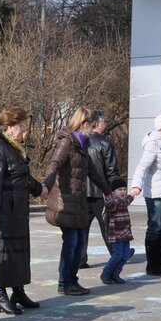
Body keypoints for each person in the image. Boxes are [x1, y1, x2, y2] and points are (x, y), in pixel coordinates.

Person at [0, 107, 46, 311]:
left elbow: (21, 176)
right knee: (2, 254)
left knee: (19, 253)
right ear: (9, 127)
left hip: (17, 212)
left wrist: (40, 189)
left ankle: (18, 292)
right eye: (21, 125)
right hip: (3, 212)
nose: (24, 129)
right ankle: (0, 295)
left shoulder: (14, 147)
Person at [43, 107, 110, 295]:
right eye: (91, 124)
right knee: (71, 241)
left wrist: (107, 190)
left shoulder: (83, 143)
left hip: (78, 201)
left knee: (79, 241)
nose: (94, 127)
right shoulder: (67, 141)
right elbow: (54, 163)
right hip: (65, 201)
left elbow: (91, 171)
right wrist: (46, 185)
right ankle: (64, 282)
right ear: (84, 124)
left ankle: (72, 280)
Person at [130, 113, 161, 276]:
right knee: (155, 227)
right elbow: (142, 166)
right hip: (155, 189)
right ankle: (152, 265)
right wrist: (136, 185)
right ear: (159, 128)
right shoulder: (154, 143)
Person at [81, 110, 131, 267]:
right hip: (101, 192)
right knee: (109, 225)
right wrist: (116, 190)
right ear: (97, 124)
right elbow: (112, 171)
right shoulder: (105, 144)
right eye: (103, 123)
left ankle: (80, 259)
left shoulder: (80, 141)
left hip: (82, 191)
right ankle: (117, 254)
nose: (105, 125)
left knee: (82, 227)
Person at [100, 177, 135, 284]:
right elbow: (111, 204)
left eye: (124, 189)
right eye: (120, 190)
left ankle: (115, 274)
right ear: (113, 191)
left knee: (125, 256)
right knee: (117, 255)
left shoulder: (124, 200)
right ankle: (106, 274)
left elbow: (126, 201)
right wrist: (107, 197)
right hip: (115, 233)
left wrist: (132, 195)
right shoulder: (114, 202)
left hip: (125, 232)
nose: (123, 192)